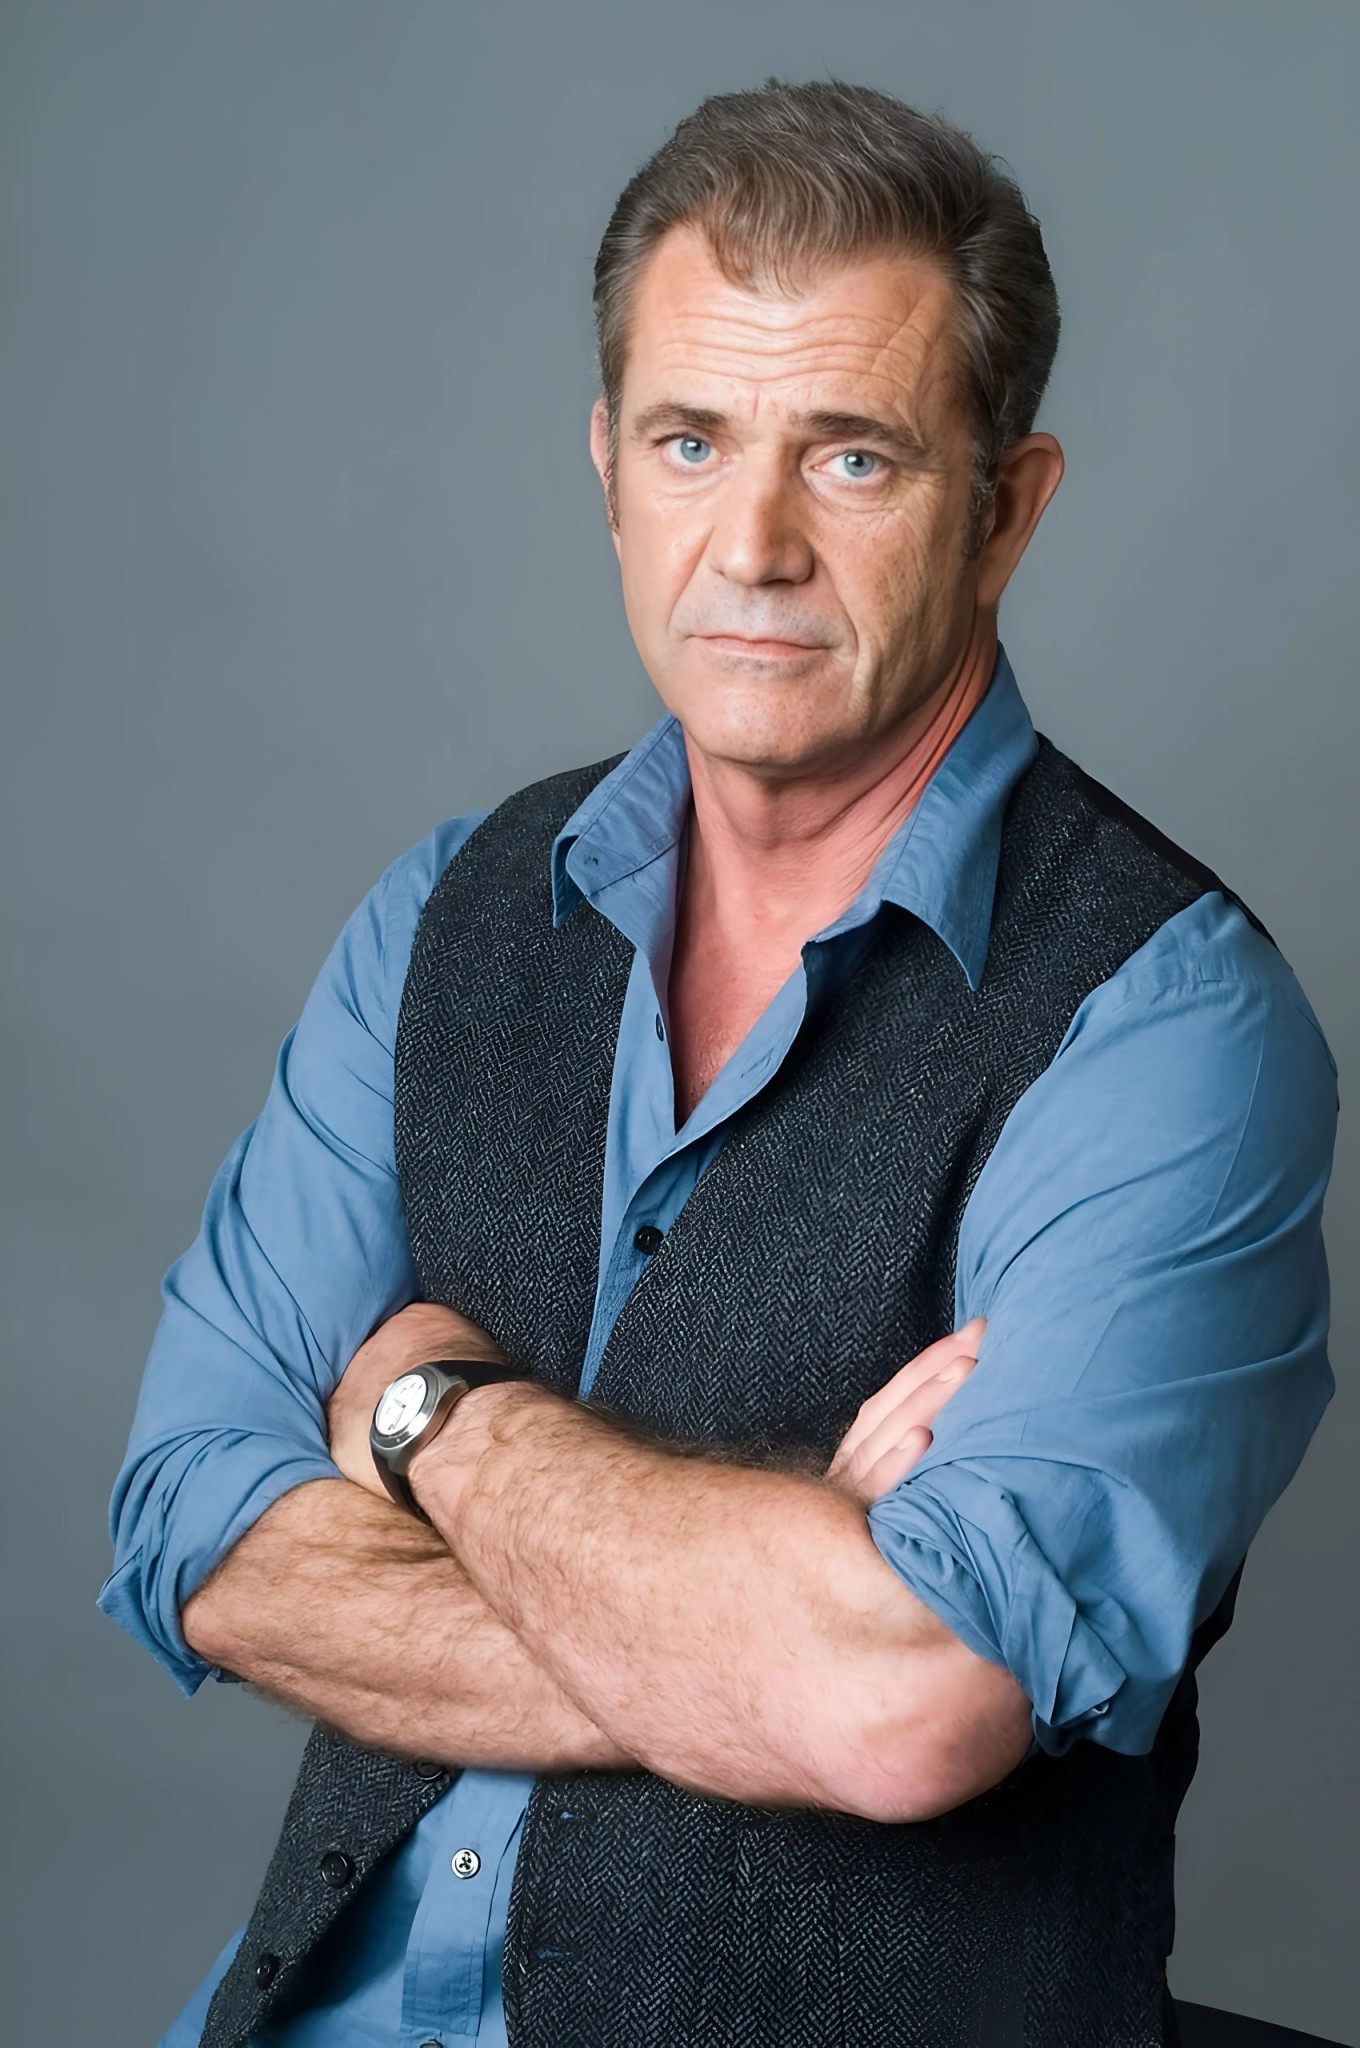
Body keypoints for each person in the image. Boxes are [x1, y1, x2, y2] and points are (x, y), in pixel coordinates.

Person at [98, 79, 1338, 2048]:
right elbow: (196, 1529)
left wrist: (429, 1412)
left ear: (1006, 507)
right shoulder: (445, 914)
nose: (750, 544)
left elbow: (908, 1698)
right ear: (608, 467)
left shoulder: (1166, 1028)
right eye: (690, 441)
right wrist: (772, 1633)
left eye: (850, 457)